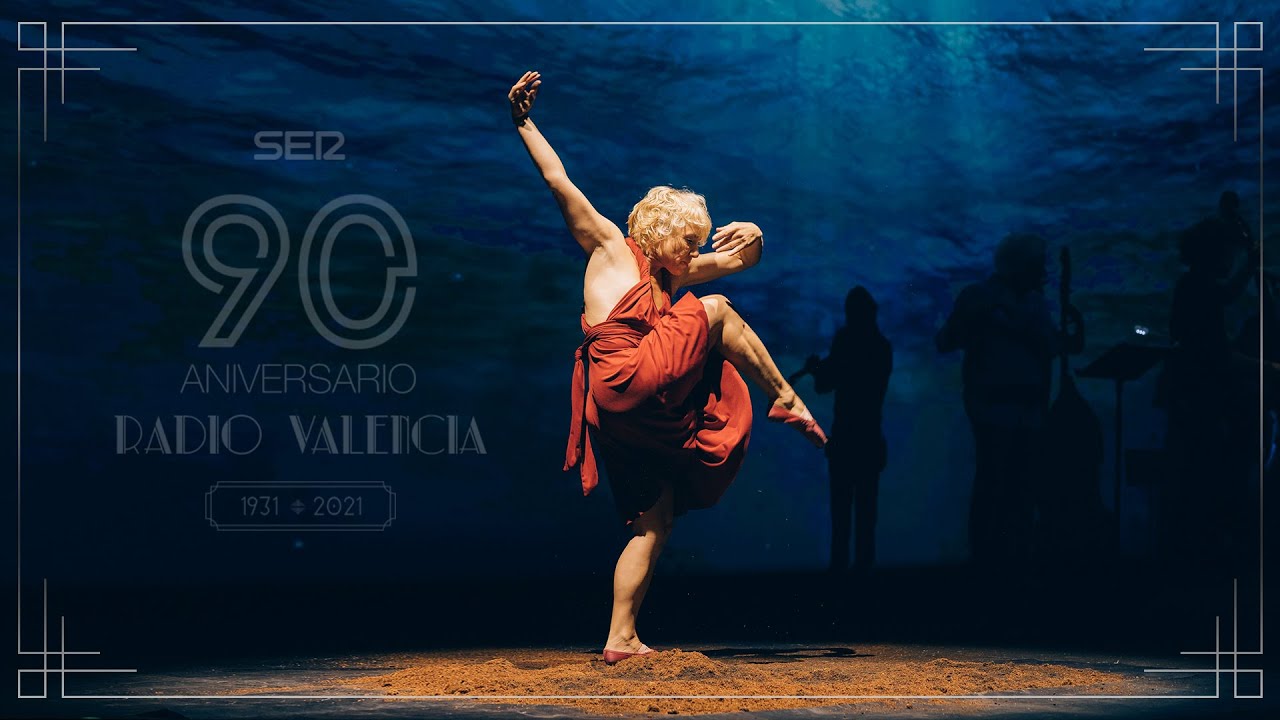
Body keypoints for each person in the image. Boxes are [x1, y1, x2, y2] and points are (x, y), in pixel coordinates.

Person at [508, 71, 827, 664]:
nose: (694, 251)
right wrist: (524, 122)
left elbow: (743, 259)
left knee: (653, 523)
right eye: (687, 240)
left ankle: (620, 637)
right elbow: (559, 181)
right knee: (715, 311)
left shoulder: (672, 273)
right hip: (625, 376)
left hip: (623, 414)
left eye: (698, 242)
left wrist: (755, 233)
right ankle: (785, 397)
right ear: (657, 232)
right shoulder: (612, 248)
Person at [936, 233, 1082, 565]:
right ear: (1021, 265)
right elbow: (946, 340)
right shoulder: (980, 297)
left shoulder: (1034, 304)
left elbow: (1052, 346)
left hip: (1027, 411)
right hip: (992, 409)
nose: (1042, 272)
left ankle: (1014, 559)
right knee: (995, 485)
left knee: (1020, 490)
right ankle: (987, 560)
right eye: (1037, 265)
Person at [796, 286, 892, 571]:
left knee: (841, 518)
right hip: (870, 440)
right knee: (866, 516)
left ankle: (839, 579)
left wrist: (816, 369)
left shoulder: (847, 342)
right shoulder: (882, 347)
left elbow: (825, 384)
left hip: (845, 442)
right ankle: (863, 576)